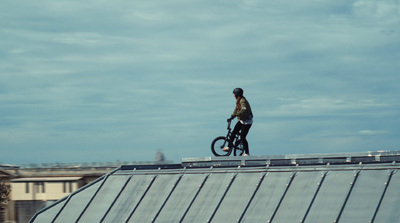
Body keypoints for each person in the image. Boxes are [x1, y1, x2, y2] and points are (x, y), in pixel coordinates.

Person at [223, 88, 253, 156]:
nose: (233, 95)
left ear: (237, 94)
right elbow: (236, 110)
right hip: (242, 120)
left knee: (243, 137)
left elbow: (244, 110)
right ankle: (228, 146)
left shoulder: (243, 101)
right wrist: (232, 116)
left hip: (247, 122)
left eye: (234, 94)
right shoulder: (238, 101)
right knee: (233, 132)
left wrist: (237, 114)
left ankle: (247, 153)